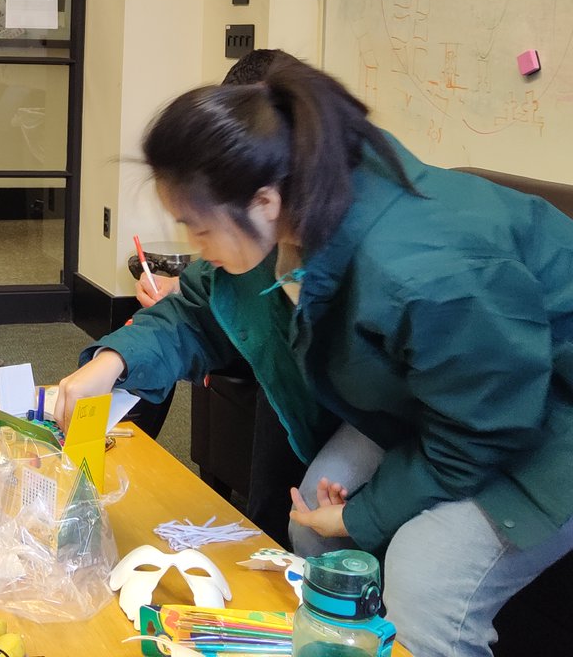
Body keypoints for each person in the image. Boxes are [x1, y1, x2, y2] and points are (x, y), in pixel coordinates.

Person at [57, 55, 573, 657]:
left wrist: (363, 517)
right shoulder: (292, 210)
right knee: (310, 529)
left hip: (540, 421)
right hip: (447, 398)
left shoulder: (425, 271)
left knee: (425, 586)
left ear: (265, 201)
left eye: (196, 229)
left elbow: (485, 429)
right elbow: (200, 307)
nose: (193, 247)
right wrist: (112, 362)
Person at [124, 50, 307, 546]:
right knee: (146, 331)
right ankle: (113, 447)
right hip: (253, 331)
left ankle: (271, 538)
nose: (197, 244)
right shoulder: (256, 220)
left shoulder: (336, 240)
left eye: (199, 228)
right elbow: (210, 293)